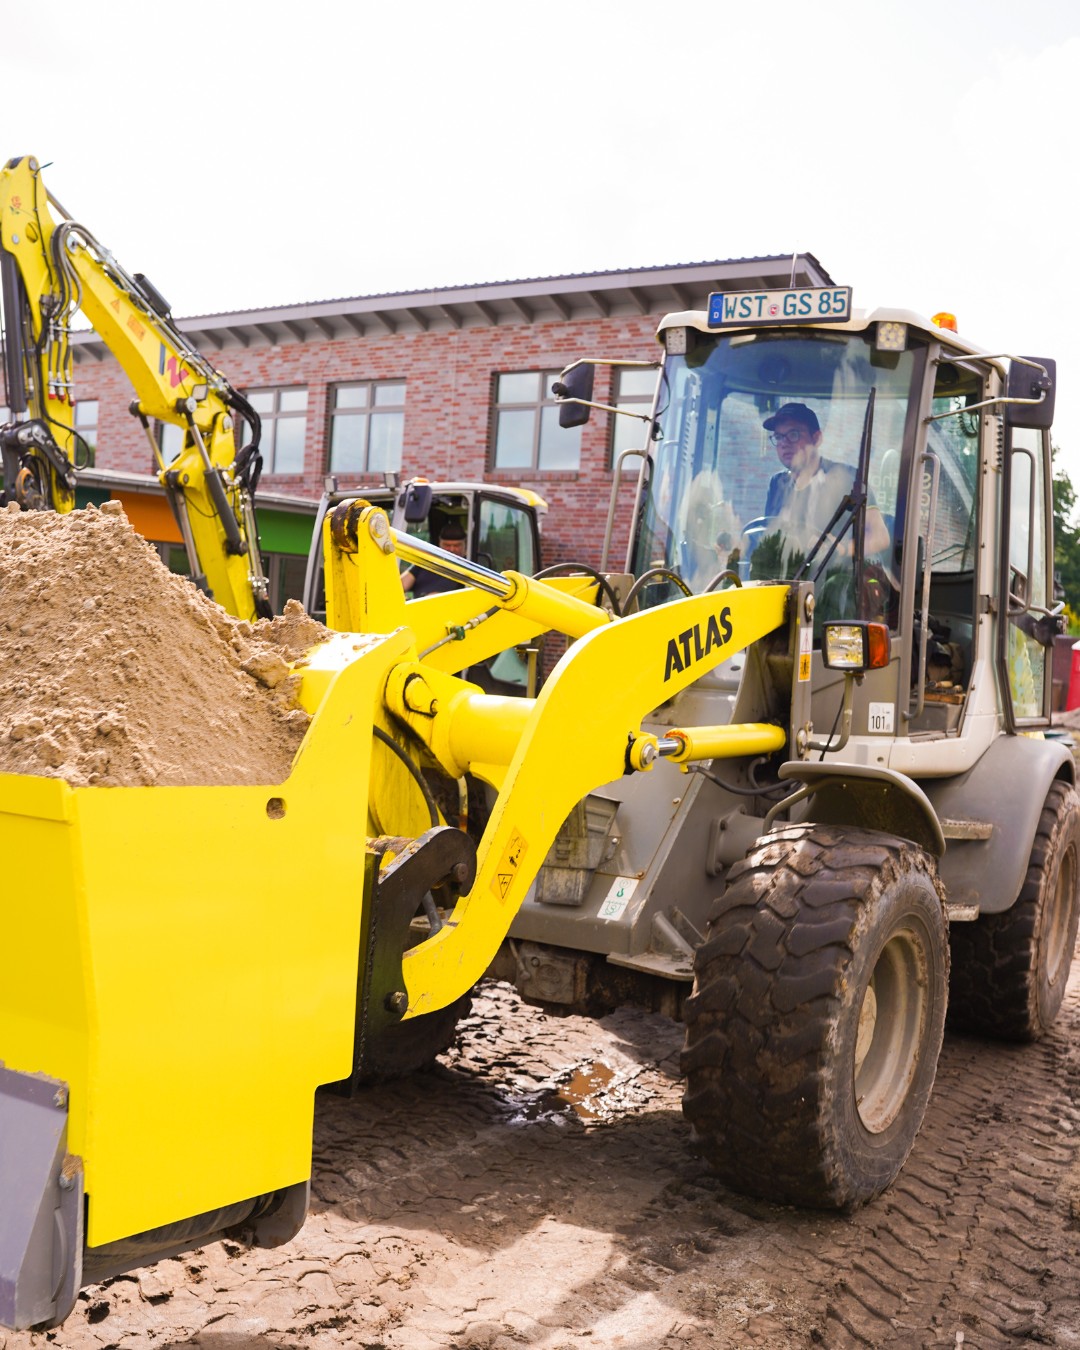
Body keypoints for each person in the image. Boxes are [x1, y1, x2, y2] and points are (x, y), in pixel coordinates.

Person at [760, 403, 890, 564]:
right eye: (778, 437)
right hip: (791, 579)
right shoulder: (777, 484)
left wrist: (841, 549)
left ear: (816, 438)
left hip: (836, 582)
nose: (784, 443)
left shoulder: (848, 478)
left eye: (793, 434)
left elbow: (880, 537)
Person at [401, 519, 468, 597]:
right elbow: (400, 585)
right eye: (447, 545)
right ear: (440, 543)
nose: (452, 549)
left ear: (465, 545)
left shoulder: (470, 569)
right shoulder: (426, 562)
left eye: (457, 545)